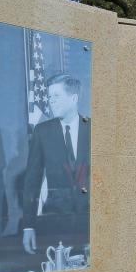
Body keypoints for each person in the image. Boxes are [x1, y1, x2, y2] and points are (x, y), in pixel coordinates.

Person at [22, 74, 91, 259]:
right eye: (49, 97)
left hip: (92, 223)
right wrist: (28, 225)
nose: (51, 101)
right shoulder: (42, 131)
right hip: (56, 224)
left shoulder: (94, 128)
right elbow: (32, 180)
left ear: (74, 98)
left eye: (56, 96)